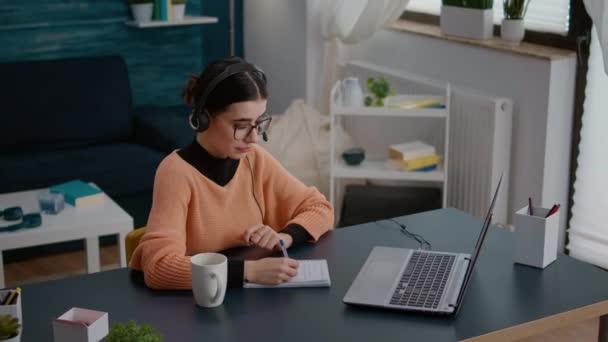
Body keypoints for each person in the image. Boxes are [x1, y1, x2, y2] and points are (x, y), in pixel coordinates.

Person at [129, 56, 334, 290]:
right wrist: (249, 271)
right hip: (196, 307)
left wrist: (283, 237)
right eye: (241, 125)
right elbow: (160, 268)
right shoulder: (175, 172)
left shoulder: (254, 158)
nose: (254, 137)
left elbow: (320, 208)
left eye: (259, 123)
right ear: (203, 118)